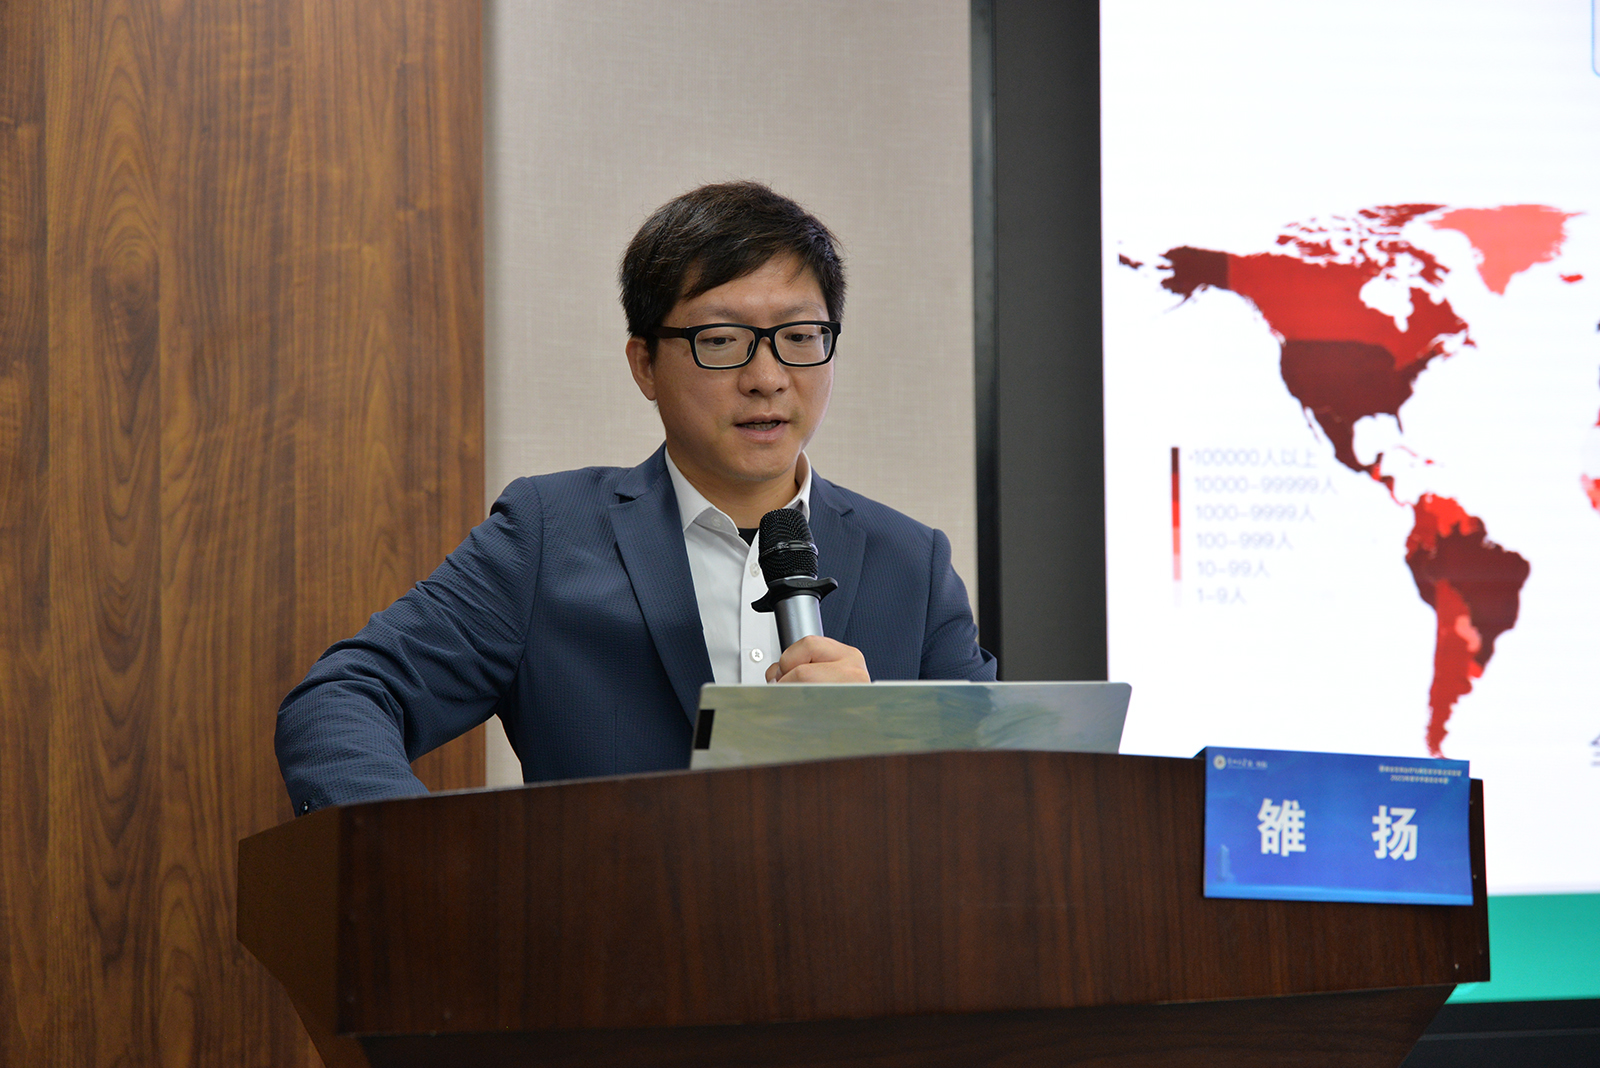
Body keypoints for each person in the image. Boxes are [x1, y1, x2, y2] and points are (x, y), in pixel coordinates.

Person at [276, 181, 996, 814]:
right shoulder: (550, 535)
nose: (768, 377)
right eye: (722, 340)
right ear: (644, 364)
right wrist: (422, 867)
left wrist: (884, 735)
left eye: (800, 336)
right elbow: (341, 699)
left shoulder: (913, 563)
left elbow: (1000, 794)